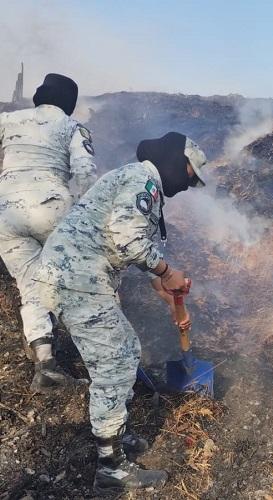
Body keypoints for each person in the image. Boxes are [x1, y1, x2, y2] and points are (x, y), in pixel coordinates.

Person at [33, 132, 208, 494]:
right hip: (77, 276)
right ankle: (111, 467)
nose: (190, 184)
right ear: (177, 160)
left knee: (122, 352)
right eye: (190, 173)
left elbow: (128, 247)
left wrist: (166, 293)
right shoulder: (143, 180)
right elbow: (128, 239)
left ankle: (117, 434)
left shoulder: (135, 178)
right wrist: (167, 271)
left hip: (76, 275)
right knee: (115, 361)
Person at [0, 73, 97, 392]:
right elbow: (84, 173)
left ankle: (45, 365)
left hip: (6, 213)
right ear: (69, 103)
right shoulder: (73, 128)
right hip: (50, 207)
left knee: (30, 285)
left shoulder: (9, 119)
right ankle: (102, 359)